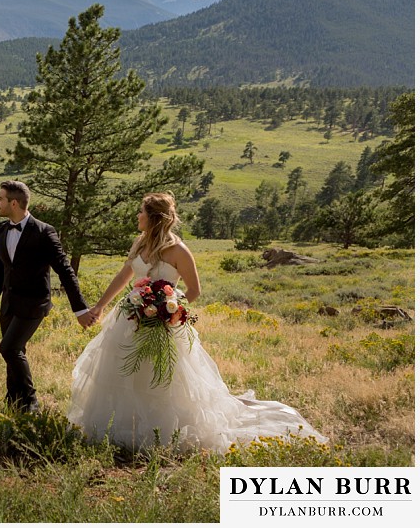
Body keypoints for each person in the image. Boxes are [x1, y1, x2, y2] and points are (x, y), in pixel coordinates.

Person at [68, 192, 327, 452]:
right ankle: (121, 424)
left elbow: (194, 290)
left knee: (163, 377)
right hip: (130, 318)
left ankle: (162, 428)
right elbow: (124, 275)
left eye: (142, 212)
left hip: (164, 325)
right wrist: (100, 306)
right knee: (123, 371)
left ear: (154, 218)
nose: (138, 216)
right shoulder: (139, 243)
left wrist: (167, 312)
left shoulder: (179, 250)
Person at [0, 180, 95, 413]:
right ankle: (14, 401)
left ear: (14, 202)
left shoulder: (44, 232)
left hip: (34, 304)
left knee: (9, 348)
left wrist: (80, 309)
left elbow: (65, 270)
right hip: (9, 304)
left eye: (0, 198)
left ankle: (31, 402)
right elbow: (0, 271)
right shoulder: (1, 230)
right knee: (15, 351)